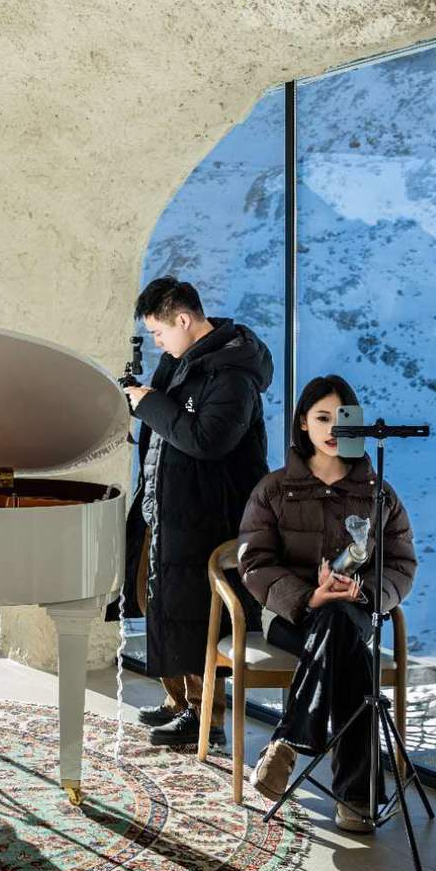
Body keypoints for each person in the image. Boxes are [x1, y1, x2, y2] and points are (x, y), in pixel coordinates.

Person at [239, 374, 417, 834]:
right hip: (289, 614)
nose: (333, 429)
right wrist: (308, 596)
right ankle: (357, 798)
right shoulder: (273, 489)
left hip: (354, 609)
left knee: (339, 622)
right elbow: (254, 562)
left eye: (343, 418)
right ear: (303, 423)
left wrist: (365, 593)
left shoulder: (378, 492)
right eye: (322, 418)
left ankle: (288, 743)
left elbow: (400, 563)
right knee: (350, 653)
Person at [123, 277, 272, 748]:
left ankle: (207, 717)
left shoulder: (233, 374)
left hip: (209, 515)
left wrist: (149, 403)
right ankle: (180, 702)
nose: (156, 342)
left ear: (184, 319)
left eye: (159, 331)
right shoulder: (181, 362)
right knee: (164, 608)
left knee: (200, 618)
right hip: (170, 508)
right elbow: (169, 429)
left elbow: (208, 440)